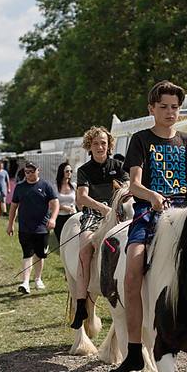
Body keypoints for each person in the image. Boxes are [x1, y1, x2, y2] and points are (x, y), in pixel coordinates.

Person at [109, 80, 187, 372]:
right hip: (148, 214)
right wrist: (151, 196)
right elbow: (135, 185)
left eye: (175, 108)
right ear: (151, 109)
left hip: (184, 213)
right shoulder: (140, 140)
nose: (170, 112)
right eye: (163, 107)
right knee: (132, 268)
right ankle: (135, 351)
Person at [69, 127, 128, 330]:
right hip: (94, 214)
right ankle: (80, 305)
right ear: (89, 146)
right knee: (85, 250)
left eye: (103, 143)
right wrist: (103, 208)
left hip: (119, 213)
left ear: (109, 145)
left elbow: (127, 190)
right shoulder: (84, 170)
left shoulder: (120, 166)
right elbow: (81, 197)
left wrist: (115, 208)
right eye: (96, 143)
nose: (100, 146)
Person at [7, 160, 59, 294]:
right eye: (26, 171)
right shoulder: (20, 187)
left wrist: (53, 219)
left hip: (42, 228)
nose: (29, 174)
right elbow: (13, 206)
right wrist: (10, 223)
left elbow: (55, 204)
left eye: (31, 171)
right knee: (27, 254)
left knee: (40, 255)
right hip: (25, 227)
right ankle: (25, 282)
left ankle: (37, 278)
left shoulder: (46, 185)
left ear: (38, 170)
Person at [50, 162, 77, 254]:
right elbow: (51, 204)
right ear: (61, 172)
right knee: (62, 243)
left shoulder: (74, 186)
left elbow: (79, 202)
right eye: (67, 171)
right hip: (59, 218)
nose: (69, 173)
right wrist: (63, 208)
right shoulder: (54, 187)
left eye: (71, 171)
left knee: (73, 242)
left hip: (73, 217)